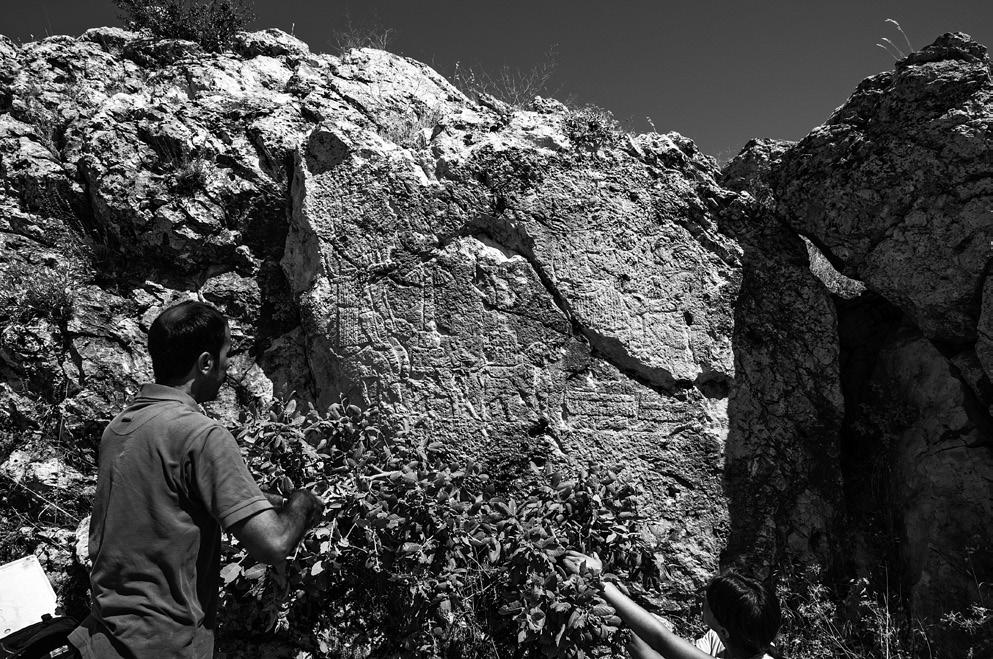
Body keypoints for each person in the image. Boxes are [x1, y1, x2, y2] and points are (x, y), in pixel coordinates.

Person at [68, 301, 324, 658]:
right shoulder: (201, 434)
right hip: (165, 643)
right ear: (205, 363)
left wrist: (255, 500)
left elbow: (164, 499)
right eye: (226, 355)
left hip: (105, 636)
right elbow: (273, 544)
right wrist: (303, 504)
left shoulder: (121, 428)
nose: (228, 368)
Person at [564, 551, 780, 659]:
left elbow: (662, 639)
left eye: (709, 602)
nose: (702, 600)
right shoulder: (750, 643)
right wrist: (616, 625)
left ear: (724, 631)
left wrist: (599, 581)